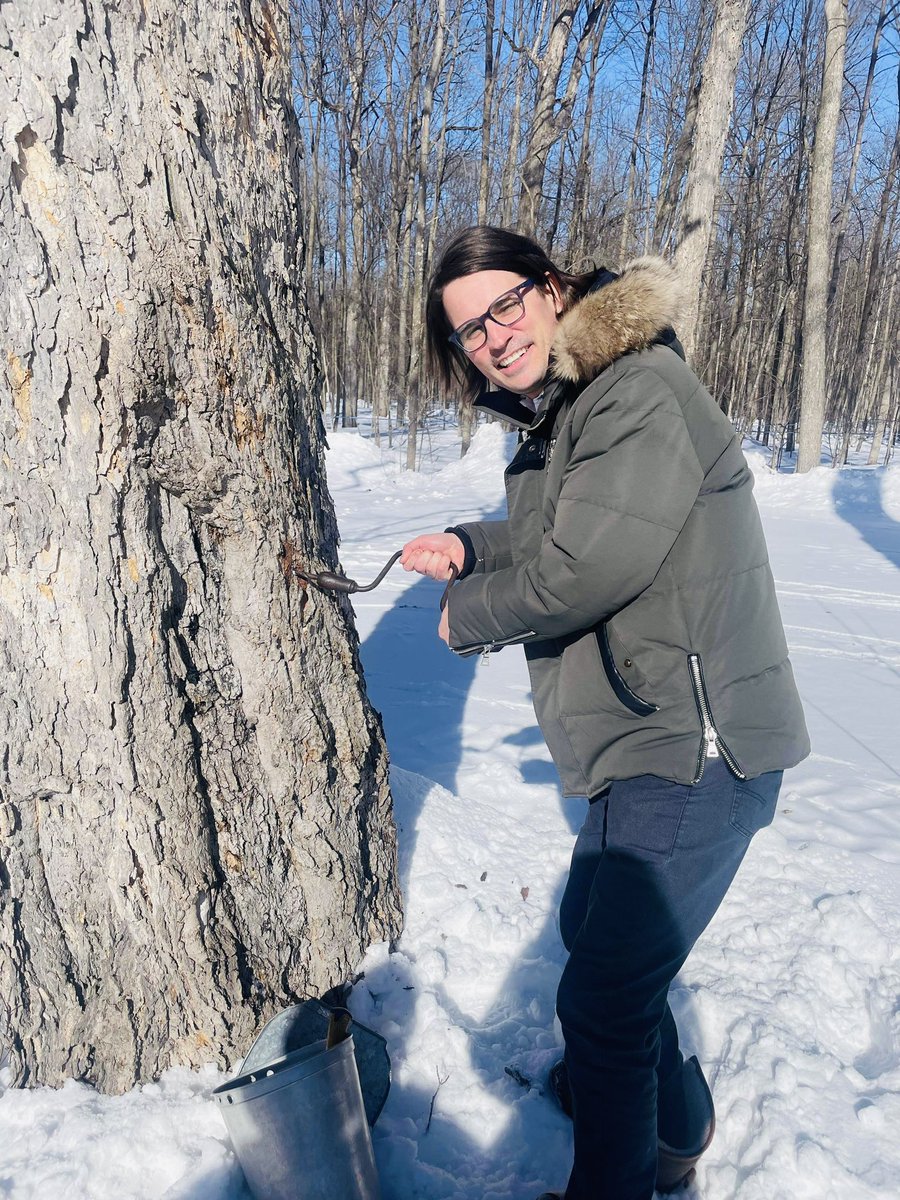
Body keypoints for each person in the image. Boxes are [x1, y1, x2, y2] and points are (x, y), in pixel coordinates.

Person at [399, 225, 809, 1200]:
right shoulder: (579, 405)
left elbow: (590, 565)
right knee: (596, 931)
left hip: (699, 746)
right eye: (469, 331)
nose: (493, 338)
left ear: (549, 288)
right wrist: (469, 546)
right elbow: (566, 529)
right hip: (646, 737)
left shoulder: (637, 389)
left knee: (607, 1001)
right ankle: (673, 1121)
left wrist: (468, 617)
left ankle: (629, 1166)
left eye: (503, 305)